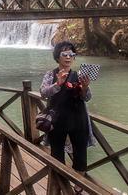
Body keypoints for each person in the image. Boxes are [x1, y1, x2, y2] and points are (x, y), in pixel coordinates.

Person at [40, 41, 92, 188]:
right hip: (57, 120)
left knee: (80, 153)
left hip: (78, 119)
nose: (68, 57)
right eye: (65, 54)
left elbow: (87, 98)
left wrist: (85, 87)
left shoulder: (80, 75)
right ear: (58, 56)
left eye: (71, 54)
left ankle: (78, 187)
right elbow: (43, 93)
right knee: (57, 153)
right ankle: (61, 185)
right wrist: (58, 84)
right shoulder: (51, 74)